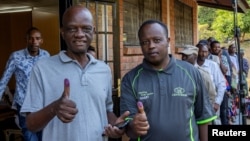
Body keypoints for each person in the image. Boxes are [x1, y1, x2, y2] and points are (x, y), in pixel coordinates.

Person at [20, 5, 129, 141]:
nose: (79, 34)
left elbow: (106, 111)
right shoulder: (42, 68)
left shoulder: (103, 69)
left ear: (93, 32)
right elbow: (30, 124)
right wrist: (54, 108)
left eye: (86, 28)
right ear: (62, 32)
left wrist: (116, 125)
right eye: (72, 28)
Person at [120, 19, 216, 141]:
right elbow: (128, 128)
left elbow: (204, 118)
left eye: (157, 40)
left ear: (168, 41)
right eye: (145, 42)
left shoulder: (191, 73)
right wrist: (133, 126)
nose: (151, 46)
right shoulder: (130, 79)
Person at [0, 27, 50, 141]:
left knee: (43, 136)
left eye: (37, 39)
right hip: (23, 103)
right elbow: (4, 79)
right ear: (26, 40)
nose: (34, 42)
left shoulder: (46, 55)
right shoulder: (16, 56)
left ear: (41, 40)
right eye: (31, 39)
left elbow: (49, 78)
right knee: (29, 135)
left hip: (42, 103)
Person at [196, 43, 226, 125]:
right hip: (197, 103)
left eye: (206, 52)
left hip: (212, 102)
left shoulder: (213, 65)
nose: (203, 54)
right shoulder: (192, 65)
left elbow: (221, 84)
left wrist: (217, 102)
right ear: (196, 52)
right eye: (201, 52)